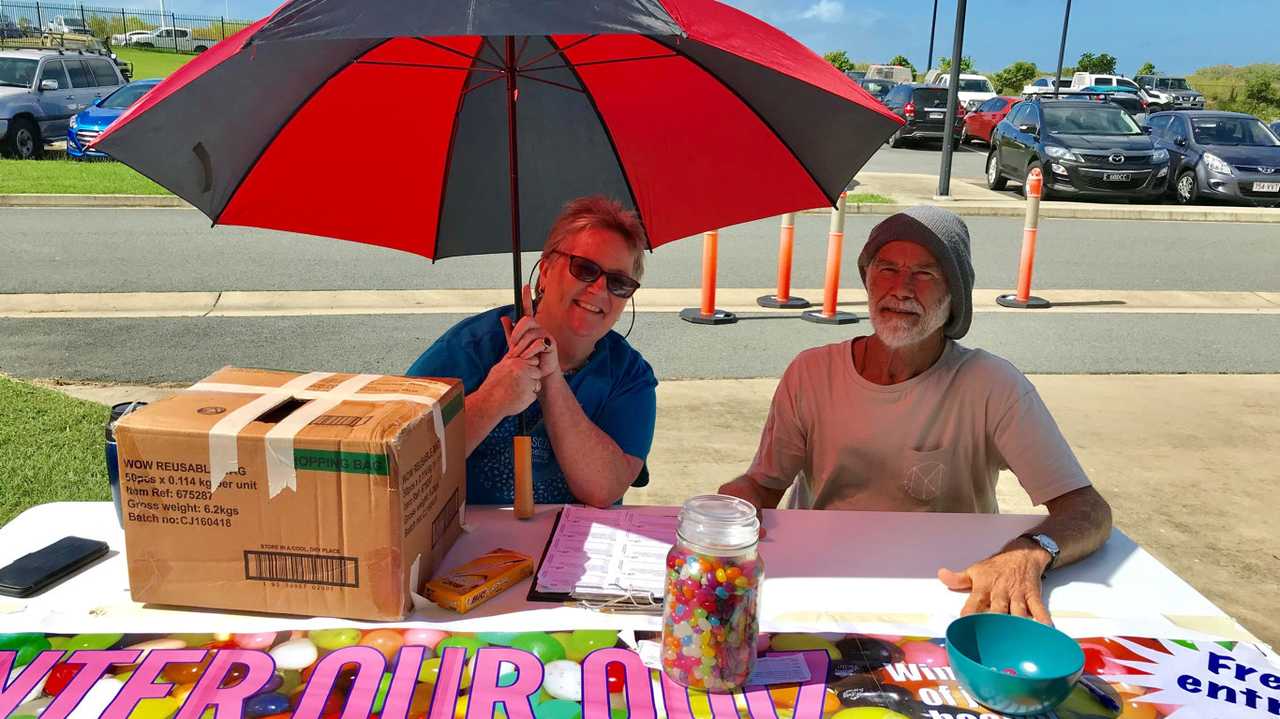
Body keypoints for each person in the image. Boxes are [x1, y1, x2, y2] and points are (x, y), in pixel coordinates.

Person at [719, 206, 1112, 624]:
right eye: (886, 268)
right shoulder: (812, 372)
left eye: (925, 274)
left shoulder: (993, 384)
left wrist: (1030, 553)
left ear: (954, 296)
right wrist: (738, 498)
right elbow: (765, 483)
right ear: (867, 280)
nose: (901, 289)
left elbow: (1088, 510)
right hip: (823, 580)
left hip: (950, 589)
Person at [407, 196, 657, 508]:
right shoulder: (468, 350)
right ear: (547, 271)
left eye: (619, 283)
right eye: (584, 269)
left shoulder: (628, 376)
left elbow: (603, 489)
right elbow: (402, 464)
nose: (599, 290)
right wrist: (492, 400)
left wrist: (551, 380)